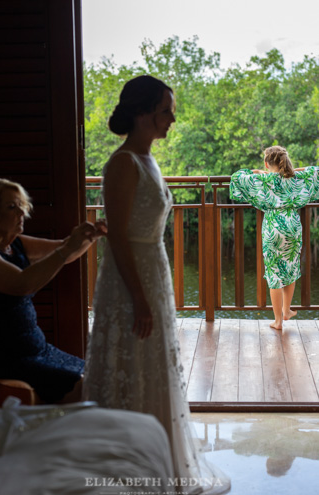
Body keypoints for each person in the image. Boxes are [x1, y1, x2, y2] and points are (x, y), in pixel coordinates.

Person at [83, 75, 230, 494]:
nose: (172, 118)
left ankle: (157, 460)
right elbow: (120, 239)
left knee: (154, 365)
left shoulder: (149, 160)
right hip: (131, 282)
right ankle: (122, 467)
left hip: (155, 271)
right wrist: (140, 301)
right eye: (167, 110)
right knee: (130, 358)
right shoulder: (122, 163)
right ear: (143, 113)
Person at [0, 178, 107, 403]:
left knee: (98, 374)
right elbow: (22, 284)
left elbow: (64, 250)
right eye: (11, 207)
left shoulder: (15, 244)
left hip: (38, 348)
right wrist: (67, 248)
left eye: (21, 206)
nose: (21, 213)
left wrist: (90, 237)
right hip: (13, 359)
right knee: (84, 385)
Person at [230, 145, 319, 329]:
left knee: (274, 273)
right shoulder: (295, 178)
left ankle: (278, 320)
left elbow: (238, 177)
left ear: (266, 163)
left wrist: (256, 171)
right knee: (291, 266)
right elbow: (315, 171)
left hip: (273, 227)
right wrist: (297, 170)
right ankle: (287, 311)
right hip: (292, 225)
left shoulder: (265, 179)